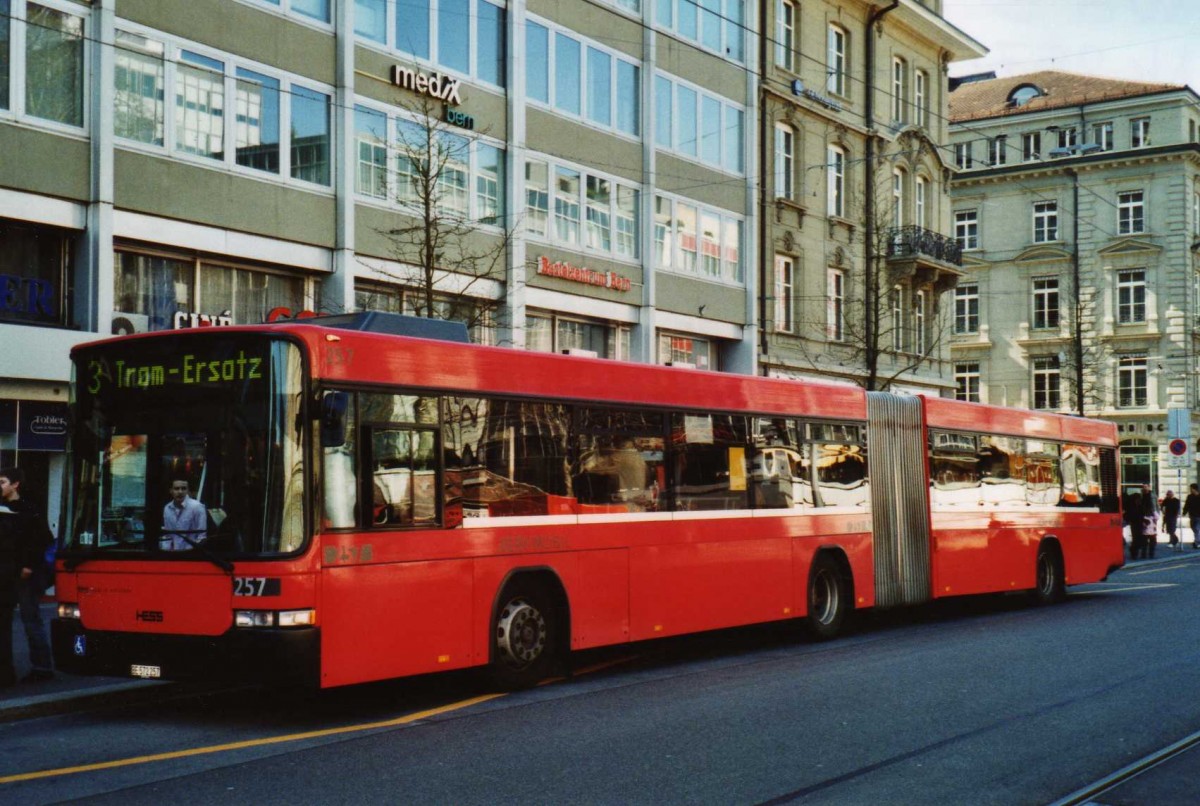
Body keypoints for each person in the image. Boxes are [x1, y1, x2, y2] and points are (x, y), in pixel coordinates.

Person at [0, 467, 53, 684]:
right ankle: (6, 671)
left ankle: (42, 667)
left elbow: (42, 539)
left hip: (24, 573)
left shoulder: (29, 509)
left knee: (30, 618)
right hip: (5, 571)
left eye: (2, 481)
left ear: (15, 485)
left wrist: (29, 565)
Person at [162, 479, 206, 551]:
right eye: (176, 489)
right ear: (171, 491)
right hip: (172, 554)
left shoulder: (197, 507)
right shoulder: (167, 508)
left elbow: (201, 536)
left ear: (187, 491)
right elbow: (168, 535)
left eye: (183, 488)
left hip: (190, 554)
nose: (180, 492)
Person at [1124, 492, 1145, 561]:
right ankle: (1134, 553)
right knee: (1136, 539)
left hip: (1139, 523)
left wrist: (1144, 520)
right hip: (1134, 523)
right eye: (1138, 499)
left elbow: (1142, 514)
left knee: (1138, 539)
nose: (1139, 500)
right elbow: (1129, 515)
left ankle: (1134, 552)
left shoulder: (1140, 506)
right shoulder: (1132, 507)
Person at [1184, 484, 1200, 549]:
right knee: (1194, 528)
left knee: (1196, 529)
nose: (1190, 490)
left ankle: (1197, 542)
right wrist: (1184, 512)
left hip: (1199, 516)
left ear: (1194, 489)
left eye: (1191, 488)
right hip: (1192, 515)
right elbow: (1187, 505)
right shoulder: (1190, 497)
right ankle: (1197, 541)